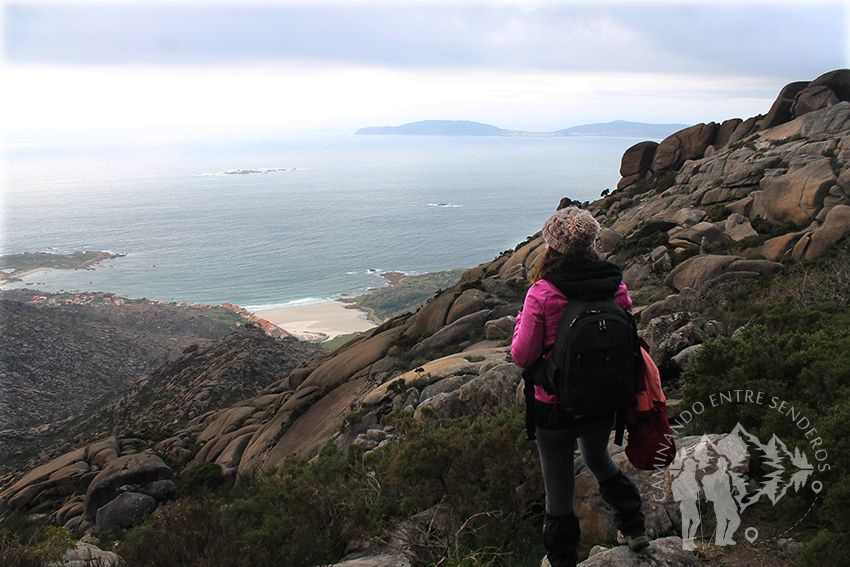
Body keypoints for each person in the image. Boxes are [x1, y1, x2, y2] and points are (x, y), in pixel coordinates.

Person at [511, 206, 648, 567]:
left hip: (555, 408)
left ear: (552, 245)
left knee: (558, 490)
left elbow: (523, 356)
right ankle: (633, 526)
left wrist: (520, 322)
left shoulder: (543, 292)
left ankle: (561, 559)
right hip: (605, 401)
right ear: (591, 243)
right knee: (598, 457)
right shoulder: (615, 284)